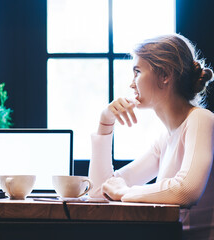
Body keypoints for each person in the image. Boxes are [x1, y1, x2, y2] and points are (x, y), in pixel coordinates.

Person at [88, 33, 214, 239]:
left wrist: (124, 192)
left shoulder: (200, 119)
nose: (131, 84)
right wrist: (105, 123)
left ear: (164, 75)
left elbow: (186, 191)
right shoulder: (165, 139)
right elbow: (99, 192)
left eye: (137, 72)